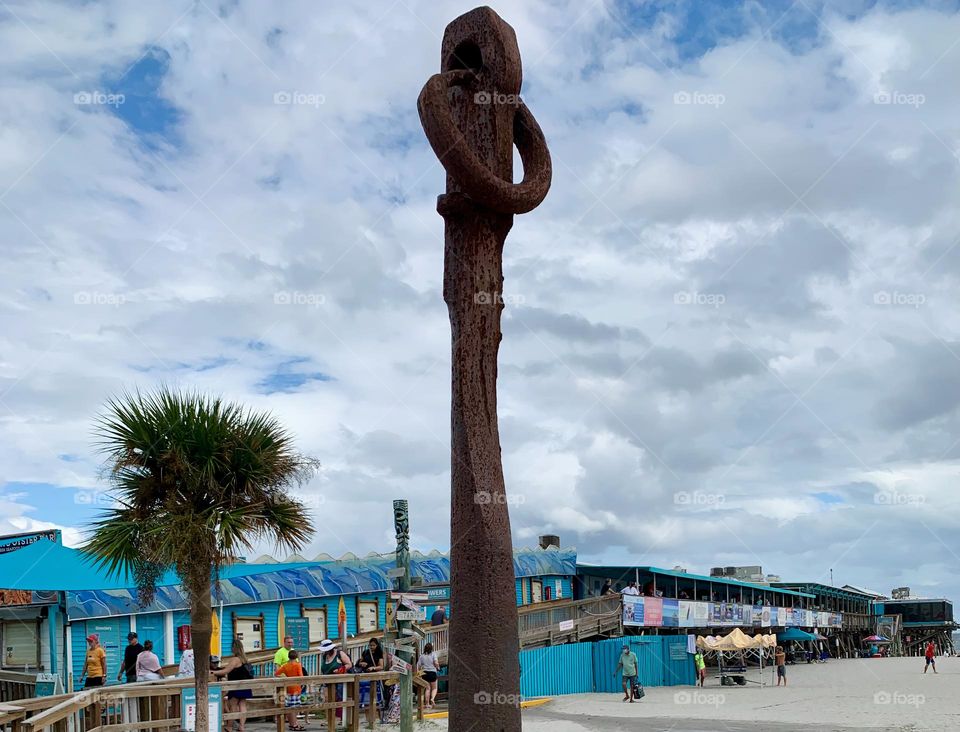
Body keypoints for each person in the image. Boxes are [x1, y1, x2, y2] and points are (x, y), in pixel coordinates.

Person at [213, 639, 254, 732]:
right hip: (245, 685)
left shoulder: (235, 659)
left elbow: (225, 671)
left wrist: (212, 672)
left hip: (236, 686)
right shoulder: (245, 659)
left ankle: (230, 726)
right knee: (242, 705)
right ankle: (242, 726)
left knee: (233, 706)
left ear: (234, 648)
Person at [277, 649, 305, 730]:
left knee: (290, 707)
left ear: (288, 657)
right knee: (295, 708)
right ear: (296, 657)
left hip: (288, 687)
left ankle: (292, 724)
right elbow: (301, 676)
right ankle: (295, 724)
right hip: (296, 688)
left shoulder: (285, 666)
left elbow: (277, 673)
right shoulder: (297, 665)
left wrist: (284, 678)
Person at [417, 643, 440, 709]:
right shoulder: (433, 654)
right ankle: (432, 699)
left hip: (425, 673)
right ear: (431, 648)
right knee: (434, 688)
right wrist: (438, 667)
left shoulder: (422, 656)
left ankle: (427, 704)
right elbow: (436, 663)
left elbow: (418, 666)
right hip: (432, 673)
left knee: (427, 689)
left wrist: (418, 673)